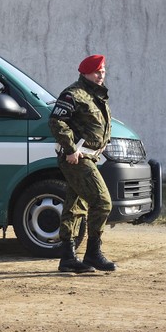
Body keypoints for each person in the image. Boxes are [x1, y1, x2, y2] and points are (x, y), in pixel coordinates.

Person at [49, 54, 116, 273]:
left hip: (89, 156)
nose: (101, 75)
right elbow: (57, 121)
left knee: (75, 205)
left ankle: (68, 257)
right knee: (102, 202)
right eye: (97, 71)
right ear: (85, 72)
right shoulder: (73, 94)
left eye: (103, 71)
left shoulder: (95, 95)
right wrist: (70, 149)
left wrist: (102, 144)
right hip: (76, 158)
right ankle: (93, 254)